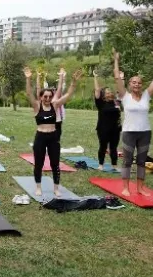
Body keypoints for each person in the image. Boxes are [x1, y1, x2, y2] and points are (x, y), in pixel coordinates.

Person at [25, 67, 81, 197]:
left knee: (55, 163)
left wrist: (73, 82)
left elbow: (68, 95)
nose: (48, 98)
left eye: (50, 96)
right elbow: (28, 93)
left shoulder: (55, 105)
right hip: (40, 137)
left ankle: (56, 188)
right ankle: (38, 187)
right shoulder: (37, 106)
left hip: (53, 137)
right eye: (45, 96)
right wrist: (28, 79)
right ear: (41, 97)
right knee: (38, 163)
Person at [113, 47, 153, 196]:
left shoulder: (147, 95)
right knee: (127, 161)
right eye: (134, 82)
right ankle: (126, 187)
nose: (137, 85)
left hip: (145, 132)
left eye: (139, 83)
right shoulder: (125, 96)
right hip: (129, 132)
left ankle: (140, 188)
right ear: (129, 84)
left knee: (141, 161)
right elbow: (116, 78)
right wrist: (116, 60)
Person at [93, 69, 121, 171]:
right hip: (103, 129)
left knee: (114, 148)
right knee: (103, 147)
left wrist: (121, 79)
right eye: (107, 93)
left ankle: (114, 165)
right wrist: (95, 77)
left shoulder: (116, 102)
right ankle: (101, 165)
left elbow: (121, 90)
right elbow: (97, 90)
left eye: (110, 92)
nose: (109, 94)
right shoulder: (100, 103)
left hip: (115, 129)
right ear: (103, 95)